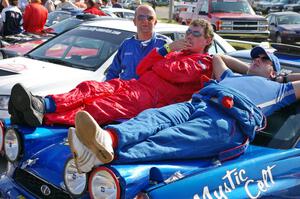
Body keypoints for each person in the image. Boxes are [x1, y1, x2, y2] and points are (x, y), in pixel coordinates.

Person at [68, 46, 300, 173]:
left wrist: (280, 78)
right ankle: (108, 138)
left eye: (264, 59)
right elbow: (217, 57)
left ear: (273, 71)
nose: (257, 59)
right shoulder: (231, 76)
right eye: (255, 57)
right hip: (197, 103)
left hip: (226, 122)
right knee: (152, 117)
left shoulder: (280, 90)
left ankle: (103, 158)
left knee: (167, 140)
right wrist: (250, 68)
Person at [9, 19, 220, 128]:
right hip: (134, 85)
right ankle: (42, 104)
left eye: (196, 34)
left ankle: (44, 118)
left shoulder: (204, 62)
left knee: (99, 107)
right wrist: (165, 51)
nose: (189, 36)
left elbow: (171, 74)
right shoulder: (174, 51)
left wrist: (166, 51)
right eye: (188, 32)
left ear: (208, 40)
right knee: (90, 87)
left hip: (150, 100)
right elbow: (141, 68)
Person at [105, 5, 171, 81]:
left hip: (153, 92)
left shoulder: (165, 44)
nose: (145, 21)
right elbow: (112, 73)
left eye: (150, 18)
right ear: (134, 22)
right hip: (128, 91)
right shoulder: (126, 44)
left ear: (155, 22)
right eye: (141, 17)